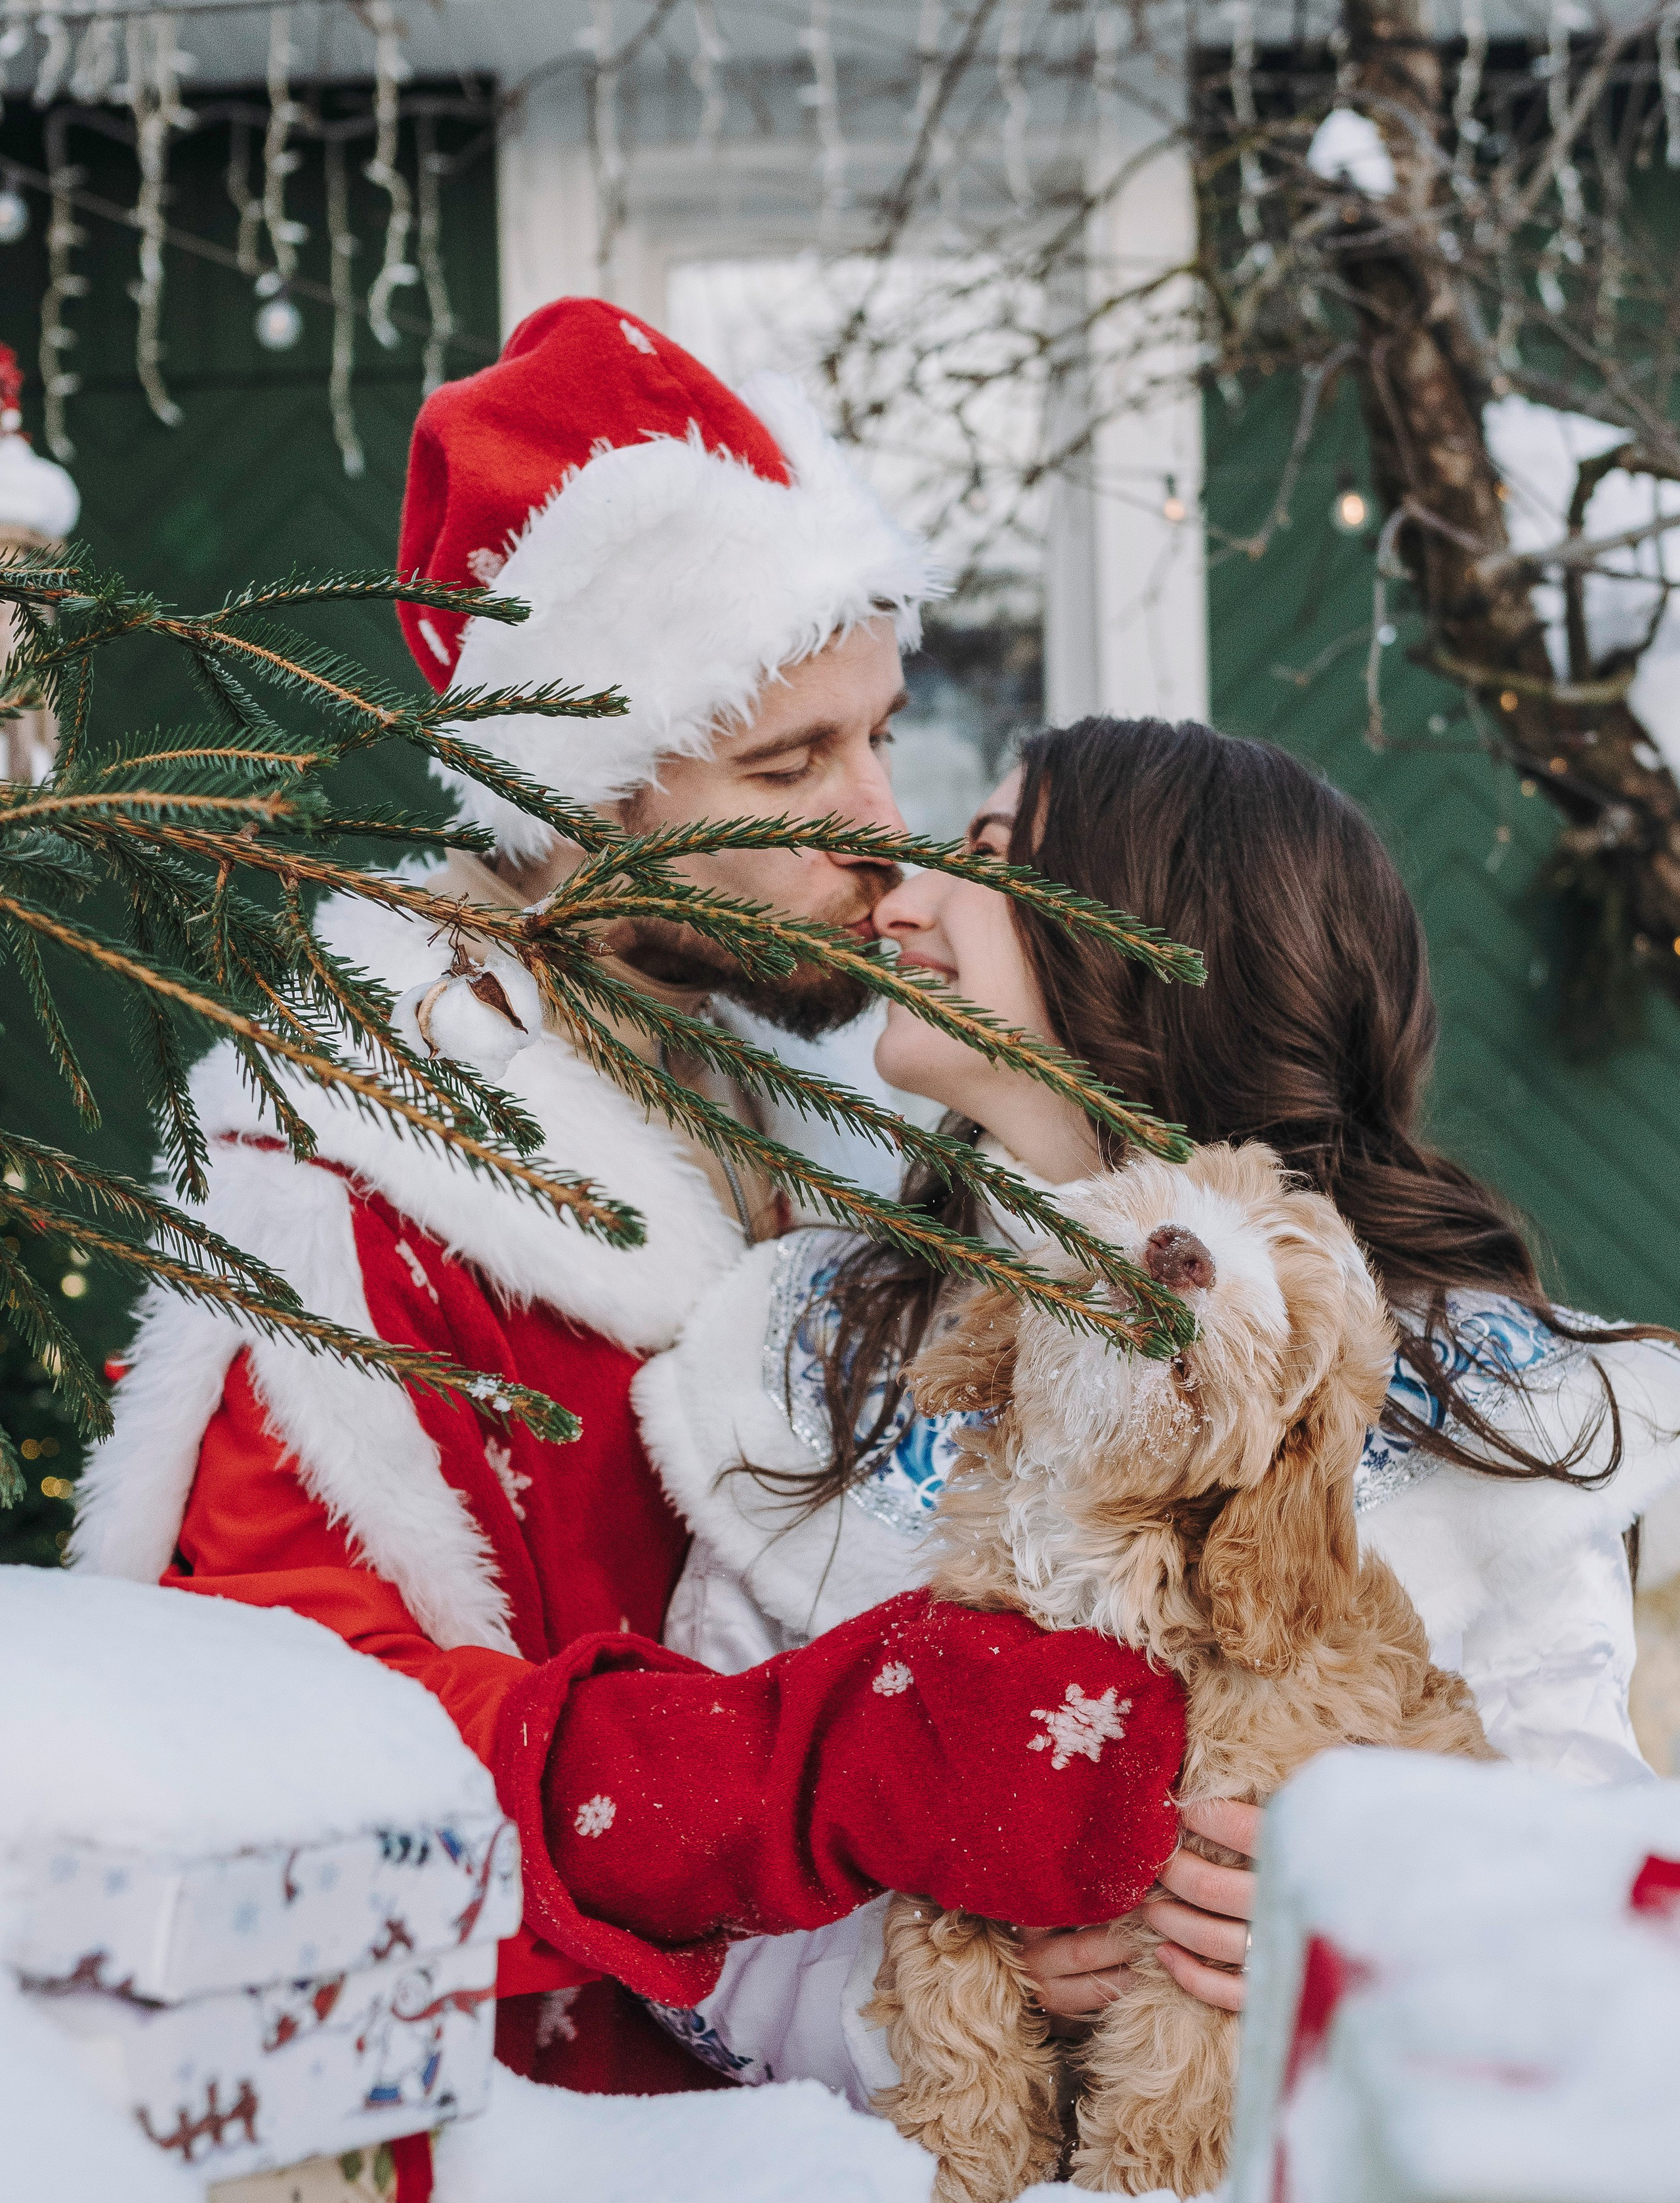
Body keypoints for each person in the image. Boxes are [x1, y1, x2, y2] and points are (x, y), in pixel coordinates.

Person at [70, 306, 1192, 2129]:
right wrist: (803, 1775)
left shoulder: (777, 1083)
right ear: (575, 790)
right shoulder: (342, 1167)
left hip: (821, 2121)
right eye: (785, 768)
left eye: (885, 736)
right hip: (536, 2166)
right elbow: (286, 1744)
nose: (883, 829)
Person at [636, 713, 1680, 2099]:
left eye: (990, 855)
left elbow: (1596, 1882)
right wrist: (921, 1986)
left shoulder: (1453, 1395)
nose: (902, 897)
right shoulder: (825, 1349)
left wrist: (1385, 1932)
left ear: (1156, 939)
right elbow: (687, 1871)